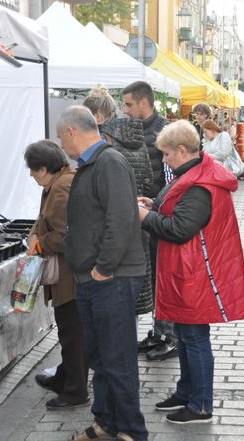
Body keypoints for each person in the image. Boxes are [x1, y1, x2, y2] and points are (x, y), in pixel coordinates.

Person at [138, 120, 244, 424]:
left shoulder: (200, 184)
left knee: (195, 337)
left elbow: (180, 228)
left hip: (197, 272)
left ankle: (200, 404)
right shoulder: (190, 173)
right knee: (187, 336)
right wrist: (154, 205)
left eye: (166, 154)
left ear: (183, 150)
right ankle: (186, 392)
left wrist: (146, 217)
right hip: (188, 269)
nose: (163, 159)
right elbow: (175, 209)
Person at [57, 106, 147, 441]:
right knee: (99, 356)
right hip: (92, 277)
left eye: (60, 135)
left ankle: (132, 430)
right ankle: (106, 422)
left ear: (70, 132)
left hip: (112, 278)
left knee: (117, 357)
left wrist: (103, 268)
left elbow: (121, 220)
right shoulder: (91, 164)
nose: (61, 143)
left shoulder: (109, 162)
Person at [25, 140, 89, 410]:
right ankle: (66, 377)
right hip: (69, 274)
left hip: (70, 275)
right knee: (69, 331)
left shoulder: (62, 186)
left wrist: (40, 243)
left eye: (32, 169)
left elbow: (66, 234)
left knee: (72, 333)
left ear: (43, 168)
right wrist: (35, 235)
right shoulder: (60, 182)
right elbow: (46, 222)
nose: (30, 175)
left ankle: (75, 391)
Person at [83, 86, 154, 317]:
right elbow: (149, 178)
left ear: (98, 116)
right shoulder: (139, 140)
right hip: (139, 221)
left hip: (112, 226)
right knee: (130, 299)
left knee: (114, 300)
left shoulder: (105, 143)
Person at [122, 81, 178, 361]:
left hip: (161, 216)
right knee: (154, 276)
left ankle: (171, 335)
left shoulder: (165, 131)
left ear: (144, 103)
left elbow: (172, 179)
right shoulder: (133, 129)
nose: (126, 110)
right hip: (145, 213)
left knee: (164, 276)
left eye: (129, 104)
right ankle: (159, 330)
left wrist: (160, 206)